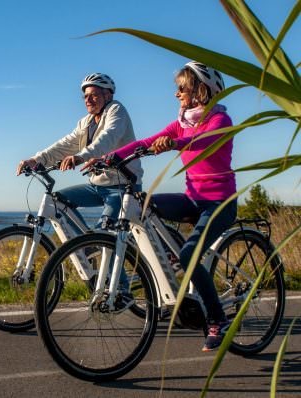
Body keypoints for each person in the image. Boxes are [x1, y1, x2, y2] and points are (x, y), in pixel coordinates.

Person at [83, 61, 236, 352]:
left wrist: (175, 143)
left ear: (200, 90)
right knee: (143, 204)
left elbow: (202, 140)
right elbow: (146, 141)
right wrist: (110, 157)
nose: (176, 94)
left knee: (191, 254)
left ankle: (218, 320)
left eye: (181, 88)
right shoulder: (182, 121)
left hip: (219, 202)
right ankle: (170, 253)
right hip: (192, 197)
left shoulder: (219, 121)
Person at [16, 73, 143, 229]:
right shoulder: (86, 122)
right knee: (56, 202)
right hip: (96, 186)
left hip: (122, 186)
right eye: (85, 96)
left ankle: (95, 243)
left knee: (103, 233)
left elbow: (107, 138)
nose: (88, 100)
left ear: (108, 95)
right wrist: (36, 160)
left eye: (94, 95)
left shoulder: (116, 110)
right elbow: (65, 144)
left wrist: (80, 157)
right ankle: (84, 247)